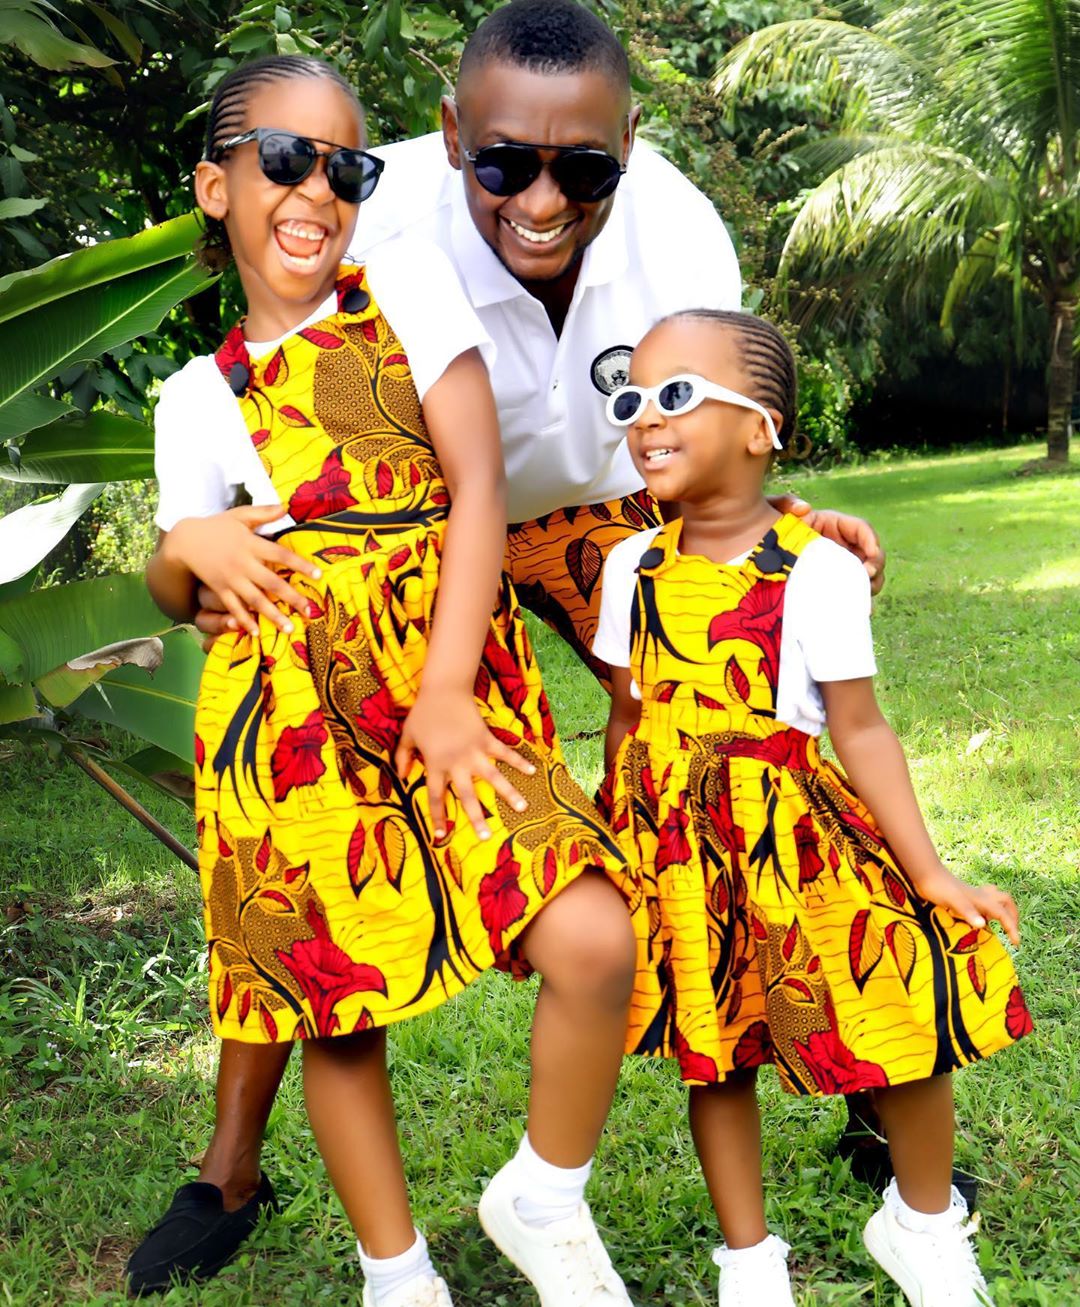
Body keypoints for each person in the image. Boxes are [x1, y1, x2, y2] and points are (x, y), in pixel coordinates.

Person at [133, 0, 889, 1288]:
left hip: (578, 512)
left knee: (769, 715)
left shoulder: (672, 232)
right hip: (350, 609)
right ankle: (232, 1166)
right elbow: (198, 533)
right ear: (450, 139)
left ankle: (873, 1069)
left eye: (580, 167)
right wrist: (190, 557)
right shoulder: (362, 223)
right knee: (306, 917)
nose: (540, 196)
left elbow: (713, 418)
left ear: (626, 147)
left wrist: (779, 537)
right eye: (503, 163)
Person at [131, 53, 642, 1306]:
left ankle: (543, 1190)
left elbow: (477, 486)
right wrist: (183, 550)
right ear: (214, 186)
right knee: (336, 1006)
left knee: (591, 932)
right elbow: (188, 586)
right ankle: (396, 1273)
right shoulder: (193, 397)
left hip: (448, 682)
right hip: (291, 727)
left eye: (345, 168)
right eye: (283, 159)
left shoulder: (405, 287)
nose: (317, 189)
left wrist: (449, 688)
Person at [593, 307, 1032, 1306]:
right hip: (679, 850)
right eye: (631, 400)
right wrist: (619, 845)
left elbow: (861, 729)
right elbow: (627, 717)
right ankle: (749, 1263)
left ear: (761, 429)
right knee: (717, 1051)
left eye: (675, 395)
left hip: (792, 832)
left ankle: (923, 1224)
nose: (645, 418)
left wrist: (929, 870)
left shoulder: (816, 567)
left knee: (901, 1005)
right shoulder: (630, 566)